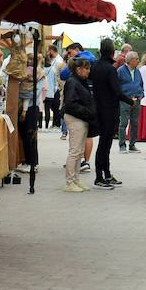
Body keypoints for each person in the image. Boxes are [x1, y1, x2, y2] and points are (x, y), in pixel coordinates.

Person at [89, 39, 130, 189]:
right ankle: (100, 177)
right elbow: (117, 92)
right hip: (109, 110)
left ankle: (105, 174)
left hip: (98, 108)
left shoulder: (95, 67)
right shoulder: (110, 69)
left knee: (103, 144)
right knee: (104, 145)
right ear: (113, 52)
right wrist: (131, 101)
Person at [60, 58, 95, 192]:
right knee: (75, 151)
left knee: (79, 151)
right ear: (78, 69)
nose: (88, 71)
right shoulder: (73, 82)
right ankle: (70, 182)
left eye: (88, 68)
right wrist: (87, 112)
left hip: (81, 118)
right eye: (86, 68)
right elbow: (71, 103)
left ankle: (76, 180)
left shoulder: (80, 81)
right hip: (76, 118)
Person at [117, 52, 144, 153]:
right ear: (131, 60)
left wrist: (141, 94)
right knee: (123, 123)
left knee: (135, 123)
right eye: (137, 59)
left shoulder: (138, 71)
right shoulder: (120, 71)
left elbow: (141, 83)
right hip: (125, 100)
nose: (138, 61)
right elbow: (116, 86)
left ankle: (132, 145)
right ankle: (122, 145)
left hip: (137, 99)